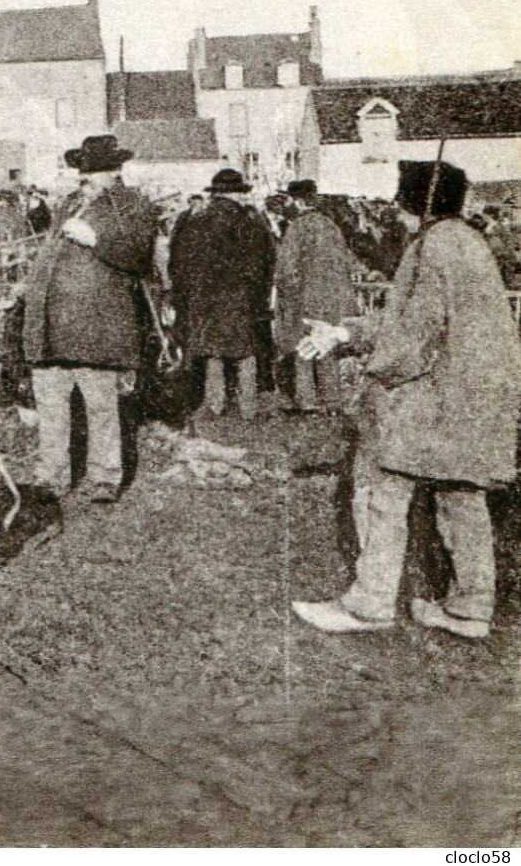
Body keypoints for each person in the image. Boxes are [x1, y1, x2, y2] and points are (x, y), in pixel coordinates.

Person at [292, 160, 521, 639]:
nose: (395, 214)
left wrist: (349, 343)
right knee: (463, 495)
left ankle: (368, 605)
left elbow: (412, 336)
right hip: (480, 401)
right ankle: (469, 610)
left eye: (400, 203)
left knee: (381, 486)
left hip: (432, 399)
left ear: (414, 203)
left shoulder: (429, 247)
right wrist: (347, 331)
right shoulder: (471, 242)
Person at [20, 135, 158, 503]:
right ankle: (52, 476)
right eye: (82, 172)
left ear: (115, 172)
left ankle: (104, 477)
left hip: (97, 328)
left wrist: (95, 238)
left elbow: (137, 257)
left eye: (93, 172)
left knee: (100, 409)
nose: (85, 179)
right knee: (51, 409)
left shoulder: (134, 205)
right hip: (50, 330)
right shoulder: (67, 205)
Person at [169, 168, 275, 422]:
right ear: (236, 194)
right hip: (239, 297)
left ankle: (214, 404)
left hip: (203, 297)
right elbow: (264, 261)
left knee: (212, 352)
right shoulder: (249, 221)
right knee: (245, 352)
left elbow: (178, 261)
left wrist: (185, 295)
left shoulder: (196, 220)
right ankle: (248, 407)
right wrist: (258, 295)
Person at [273, 179, 355, 413]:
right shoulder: (331, 225)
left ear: (298, 201)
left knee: (304, 349)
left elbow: (287, 271)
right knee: (327, 346)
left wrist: (285, 298)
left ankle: (307, 400)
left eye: (289, 199)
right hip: (332, 300)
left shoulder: (297, 228)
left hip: (305, 299)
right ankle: (332, 400)